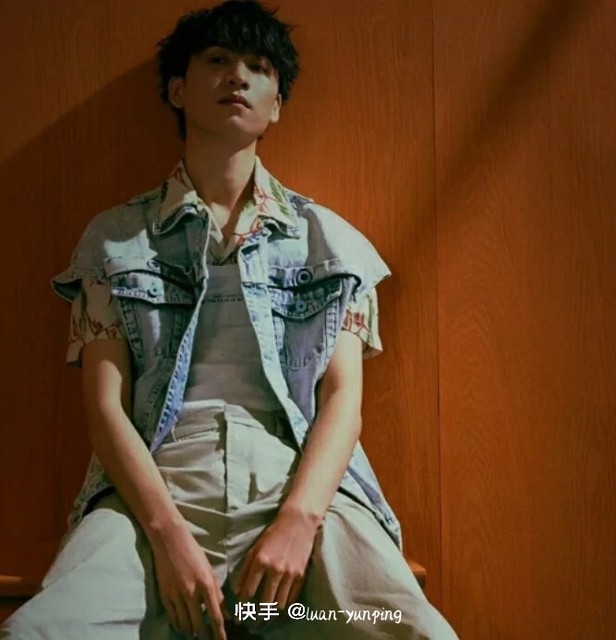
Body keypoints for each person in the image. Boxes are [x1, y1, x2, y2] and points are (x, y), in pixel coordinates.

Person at [1, 1, 460, 639]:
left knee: (407, 630)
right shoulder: (115, 240)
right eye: (217, 60)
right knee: (37, 633)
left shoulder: (330, 243)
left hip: (298, 490)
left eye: (258, 67)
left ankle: (267, 615)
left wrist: (298, 522)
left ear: (277, 105)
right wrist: (167, 538)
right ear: (178, 90)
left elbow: (343, 402)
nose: (238, 76)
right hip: (155, 492)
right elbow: (105, 409)